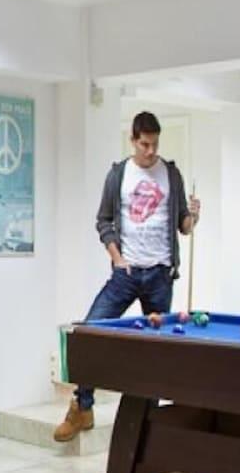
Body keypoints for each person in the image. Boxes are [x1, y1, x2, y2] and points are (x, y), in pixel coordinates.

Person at [55, 111, 200, 441]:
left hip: (160, 274)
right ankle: (82, 406)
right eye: (145, 144)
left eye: (155, 144)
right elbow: (103, 221)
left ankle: (146, 420)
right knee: (91, 330)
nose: (151, 151)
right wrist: (117, 259)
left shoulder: (171, 174)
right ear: (133, 140)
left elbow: (184, 226)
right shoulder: (119, 175)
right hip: (126, 273)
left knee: (154, 351)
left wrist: (193, 216)